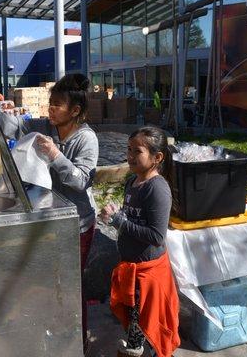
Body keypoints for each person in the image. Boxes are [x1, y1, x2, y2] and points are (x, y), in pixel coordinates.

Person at [99, 126, 180, 357]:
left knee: (149, 323)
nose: (130, 156)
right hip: (132, 269)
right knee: (135, 318)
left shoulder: (157, 189)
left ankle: (140, 349)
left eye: (137, 151)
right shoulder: (132, 182)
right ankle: (135, 345)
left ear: (157, 158)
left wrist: (120, 222)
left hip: (148, 273)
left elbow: (156, 236)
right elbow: (132, 219)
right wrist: (116, 217)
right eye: (128, 149)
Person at [33, 73, 99, 349]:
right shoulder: (49, 128)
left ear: (75, 110)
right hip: (54, 220)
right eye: (50, 103)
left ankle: (78, 340)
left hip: (78, 223)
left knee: (73, 283)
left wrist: (55, 156)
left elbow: (83, 180)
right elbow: (16, 127)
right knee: (54, 281)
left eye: (57, 104)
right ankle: (58, 330)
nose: (50, 109)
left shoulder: (86, 139)